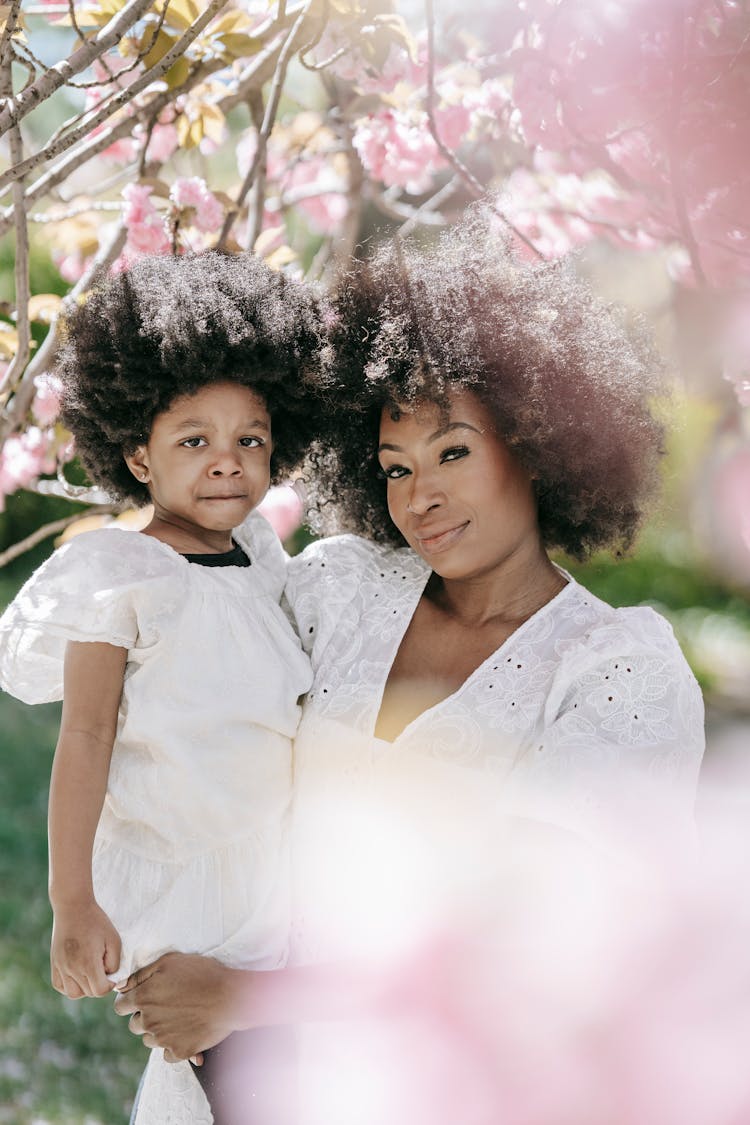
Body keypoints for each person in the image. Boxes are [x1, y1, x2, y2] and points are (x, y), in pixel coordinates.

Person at [114, 208, 705, 1122]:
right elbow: (192, 626)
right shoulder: (344, 591)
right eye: (391, 467)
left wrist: (246, 997)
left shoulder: (615, 673)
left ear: (542, 444)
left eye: (453, 452)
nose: (419, 496)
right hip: (234, 1079)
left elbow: (537, 957)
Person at [0, 252, 330, 1125]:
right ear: (137, 456)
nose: (227, 462)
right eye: (194, 440)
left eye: (249, 438)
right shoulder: (119, 573)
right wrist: (73, 900)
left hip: (268, 869)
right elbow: (85, 738)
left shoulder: (261, 556)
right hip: (181, 876)